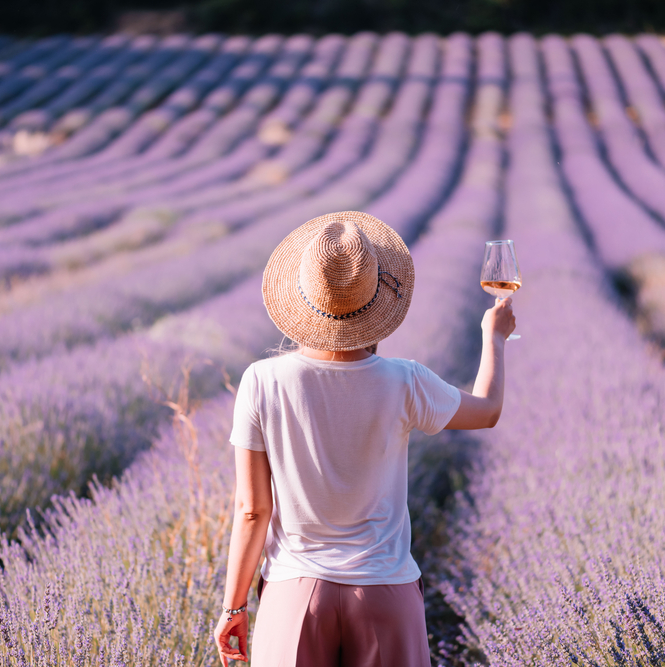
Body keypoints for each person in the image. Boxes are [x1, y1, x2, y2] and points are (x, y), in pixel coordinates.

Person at [212, 211, 516, 666]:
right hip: (384, 593)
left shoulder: (262, 380)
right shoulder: (404, 380)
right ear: (375, 296)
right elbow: (488, 411)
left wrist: (233, 607)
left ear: (302, 294)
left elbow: (253, 510)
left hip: (296, 596)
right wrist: (494, 337)